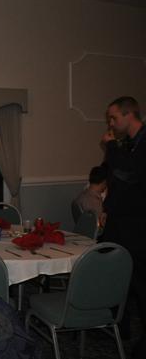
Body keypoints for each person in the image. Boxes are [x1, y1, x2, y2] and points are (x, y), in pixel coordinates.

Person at [100, 96, 146, 358]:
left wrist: (111, 148)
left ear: (129, 115)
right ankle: (120, 325)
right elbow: (115, 179)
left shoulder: (142, 144)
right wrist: (107, 210)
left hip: (138, 228)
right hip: (120, 223)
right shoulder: (126, 144)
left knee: (140, 283)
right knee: (119, 279)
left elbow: (131, 174)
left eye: (114, 117)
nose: (110, 123)